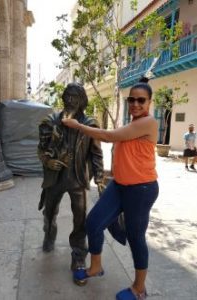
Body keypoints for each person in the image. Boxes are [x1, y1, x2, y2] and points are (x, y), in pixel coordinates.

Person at [62, 77, 159, 300]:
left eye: (141, 100)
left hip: (141, 190)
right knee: (94, 223)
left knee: (136, 238)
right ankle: (96, 267)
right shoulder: (132, 123)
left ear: (149, 102)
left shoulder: (149, 123)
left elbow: (108, 136)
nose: (135, 104)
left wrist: (78, 126)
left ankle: (139, 288)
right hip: (119, 186)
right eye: (131, 99)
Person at [37, 83, 105, 282]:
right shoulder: (50, 122)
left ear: (82, 100)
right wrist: (48, 160)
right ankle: (49, 235)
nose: (70, 100)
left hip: (77, 180)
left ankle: (78, 256)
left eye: (75, 97)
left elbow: (96, 155)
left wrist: (100, 178)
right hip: (54, 178)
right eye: (67, 96)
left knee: (80, 219)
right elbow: (40, 149)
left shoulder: (90, 124)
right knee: (49, 213)